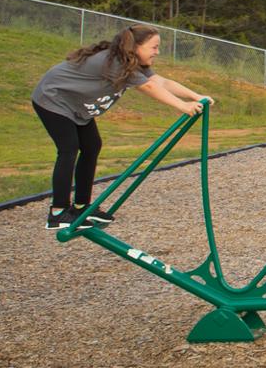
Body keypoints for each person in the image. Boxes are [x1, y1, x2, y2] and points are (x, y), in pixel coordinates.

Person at [32, 24, 215, 230]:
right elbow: (148, 87)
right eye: (154, 47)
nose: (158, 52)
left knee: (92, 146)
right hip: (53, 98)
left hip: (76, 106)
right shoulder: (115, 61)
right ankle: (57, 212)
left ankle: (82, 206)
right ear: (136, 46)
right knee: (69, 148)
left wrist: (195, 96)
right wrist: (182, 106)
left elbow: (160, 82)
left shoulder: (132, 62)